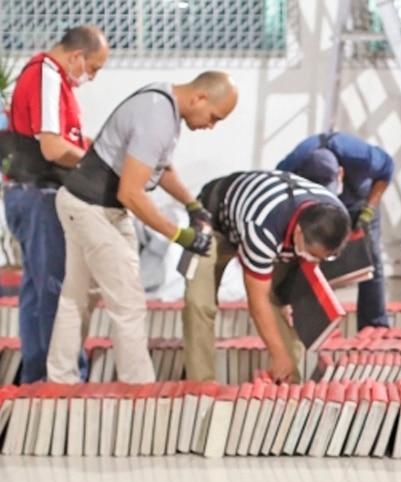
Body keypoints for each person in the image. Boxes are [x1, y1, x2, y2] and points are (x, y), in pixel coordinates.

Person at [46, 71, 238, 384]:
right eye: (214, 117)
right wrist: (180, 236)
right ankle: (139, 389)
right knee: (129, 303)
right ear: (199, 98)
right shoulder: (157, 117)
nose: (211, 125)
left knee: (78, 297)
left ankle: (60, 380)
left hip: (87, 204)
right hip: (93, 209)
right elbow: (131, 193)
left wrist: (193, 206)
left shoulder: (163, 102)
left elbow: (158, 167)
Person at [3, 25, 108, 383]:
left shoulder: (51, 79)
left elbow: (66, 139)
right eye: (93, 68)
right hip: (40, 197)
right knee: (55, 292)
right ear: (77, 56)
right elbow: (53, 148)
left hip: (28, 194)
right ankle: (62, 382)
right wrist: (97, 169)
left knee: (36, 292)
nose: (91, 77)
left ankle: (37, 381)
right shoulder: (47, 74)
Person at [183, 170, 351, 383]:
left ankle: (293, 382)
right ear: (299, 232)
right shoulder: (264, 227)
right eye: (313, 255)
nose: (316, 261)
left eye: (325, 257)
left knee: (280, 302)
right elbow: (256, 299)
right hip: (213, 221)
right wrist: (278, 355)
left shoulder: (337, 220)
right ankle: (201, 386)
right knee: (198, 302)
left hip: (273, 231)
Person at [276, 132, 394, 330]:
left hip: (359, 200)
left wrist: (368, 210)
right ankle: (314, 324)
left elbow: (387, 170)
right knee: (308, 254)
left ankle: (374, 324)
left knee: (371, 258)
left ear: (340, 173)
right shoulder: (290, 167)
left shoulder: (363, 157)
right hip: (313, 205)